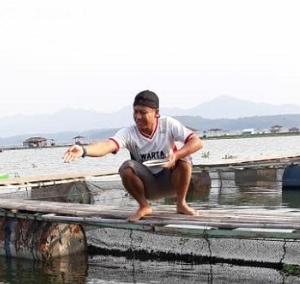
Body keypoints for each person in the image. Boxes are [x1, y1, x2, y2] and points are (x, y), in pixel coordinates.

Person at [63, 90, 204, 221]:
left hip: (172, 181)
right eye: (135, 112)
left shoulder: (168, 124)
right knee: (126, 167)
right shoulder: (129, 133)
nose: (138, 117)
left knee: (185, 158)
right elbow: (107, 145)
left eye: (143, 112)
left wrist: (176, 155)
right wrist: (84, 150)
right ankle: (144, 206)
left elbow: (196, 142)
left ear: (156, 112)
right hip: (148, 186)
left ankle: (181, 203)